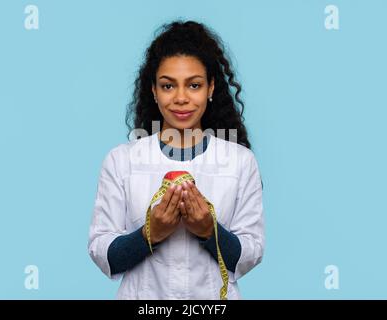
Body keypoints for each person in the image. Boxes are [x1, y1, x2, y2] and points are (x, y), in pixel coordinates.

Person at [88, 20, 265, 299]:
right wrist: (150, 233)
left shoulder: (240, 162)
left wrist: (209, 230)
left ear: (210, 89)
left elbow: (250, 253)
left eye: (193, 85)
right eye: (168, 86)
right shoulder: (121, 161)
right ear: (154, 91)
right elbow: (104, 254)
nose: (181, 98)